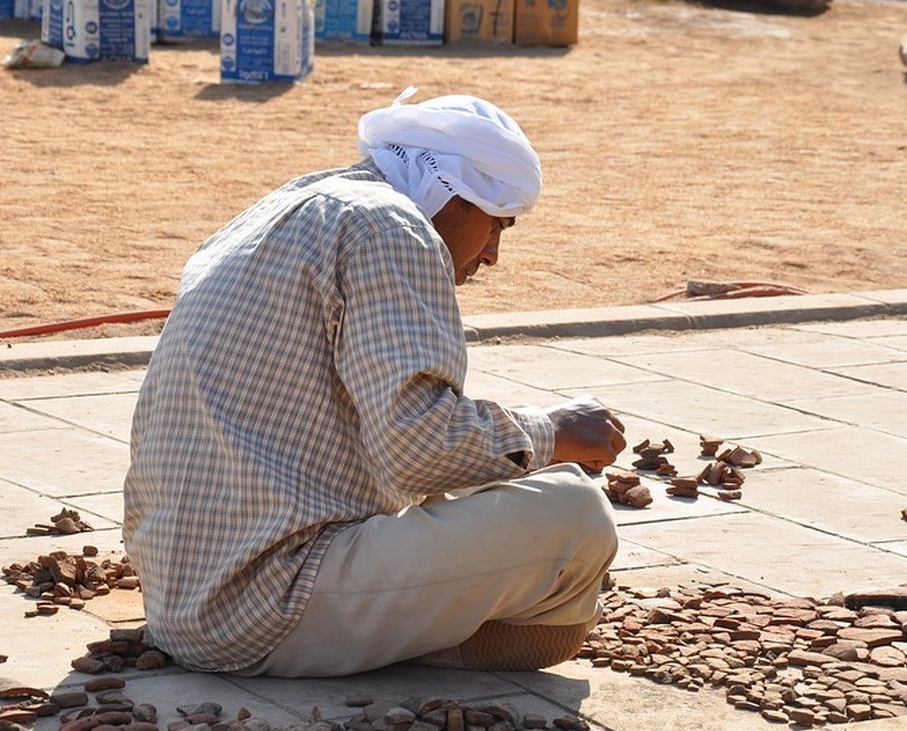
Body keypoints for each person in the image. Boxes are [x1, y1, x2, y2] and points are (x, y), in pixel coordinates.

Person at [123, 89, 627, 678]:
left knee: (497, 475)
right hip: (262, 606)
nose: (492, 254)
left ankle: (400, 631)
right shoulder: (392, 227)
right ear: (451, 192)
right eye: (497, 223)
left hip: (180, 590)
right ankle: (434, 644)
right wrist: (552, 432)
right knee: (575, 513)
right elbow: (419, 449)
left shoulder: (297, 200)